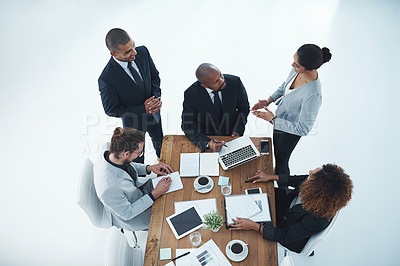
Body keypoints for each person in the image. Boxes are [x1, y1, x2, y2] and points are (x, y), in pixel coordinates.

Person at [229, 164, 353, 254]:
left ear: (316, 191)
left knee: (243, 230)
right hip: (288, 205)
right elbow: (297, 179)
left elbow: (285, 236)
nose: (309, 172)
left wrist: (254, 226)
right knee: (254, 190)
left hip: (286, 229)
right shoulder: (317, 185)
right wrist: (271, 177)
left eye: (311, 175)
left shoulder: (318, 220)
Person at [251, 44, 332, 175]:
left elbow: (303, 129)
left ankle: (282, 189)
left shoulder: (313, 95)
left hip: (289, 132)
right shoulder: (297, 69)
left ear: (310, 70)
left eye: (297, 65)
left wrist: (273, 120)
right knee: (275, 154)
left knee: (282, 161)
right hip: (278, 121)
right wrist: (269, 100)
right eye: (294, 61)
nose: (292, 66)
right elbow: (285, 85)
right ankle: (276, 173)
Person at [98, 28, 163, 163]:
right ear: (113, 54)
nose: (134, 52)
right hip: (133, 124)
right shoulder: (107, 78)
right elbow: (111, 109)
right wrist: (142, 109)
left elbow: (154, 77)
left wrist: (156, 98)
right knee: (137, 158)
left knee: (161, 143)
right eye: (127, 52)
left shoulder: (143, 52)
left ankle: (163, 162)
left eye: (133, 45)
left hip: (154, 115)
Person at [94, 127, 173, 231]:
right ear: (126, 153)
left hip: (139, 191)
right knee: (172, 212)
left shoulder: (112, 150)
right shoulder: (109, 188)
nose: (140, 154)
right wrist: (155, 193)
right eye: (139, 153)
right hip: (135, 214)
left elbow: (128, 164)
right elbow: (128, 213)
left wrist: (149, 168)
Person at [181, 63, 250, 152]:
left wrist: (238, 130)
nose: (222, 81)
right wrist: (207, 142)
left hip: (231, 135)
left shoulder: (235, 82)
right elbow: (188, 125)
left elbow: (244, 108)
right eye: (216, 82)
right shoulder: (191, 94)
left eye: (220, 75)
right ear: (205, 85)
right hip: (206, 136)